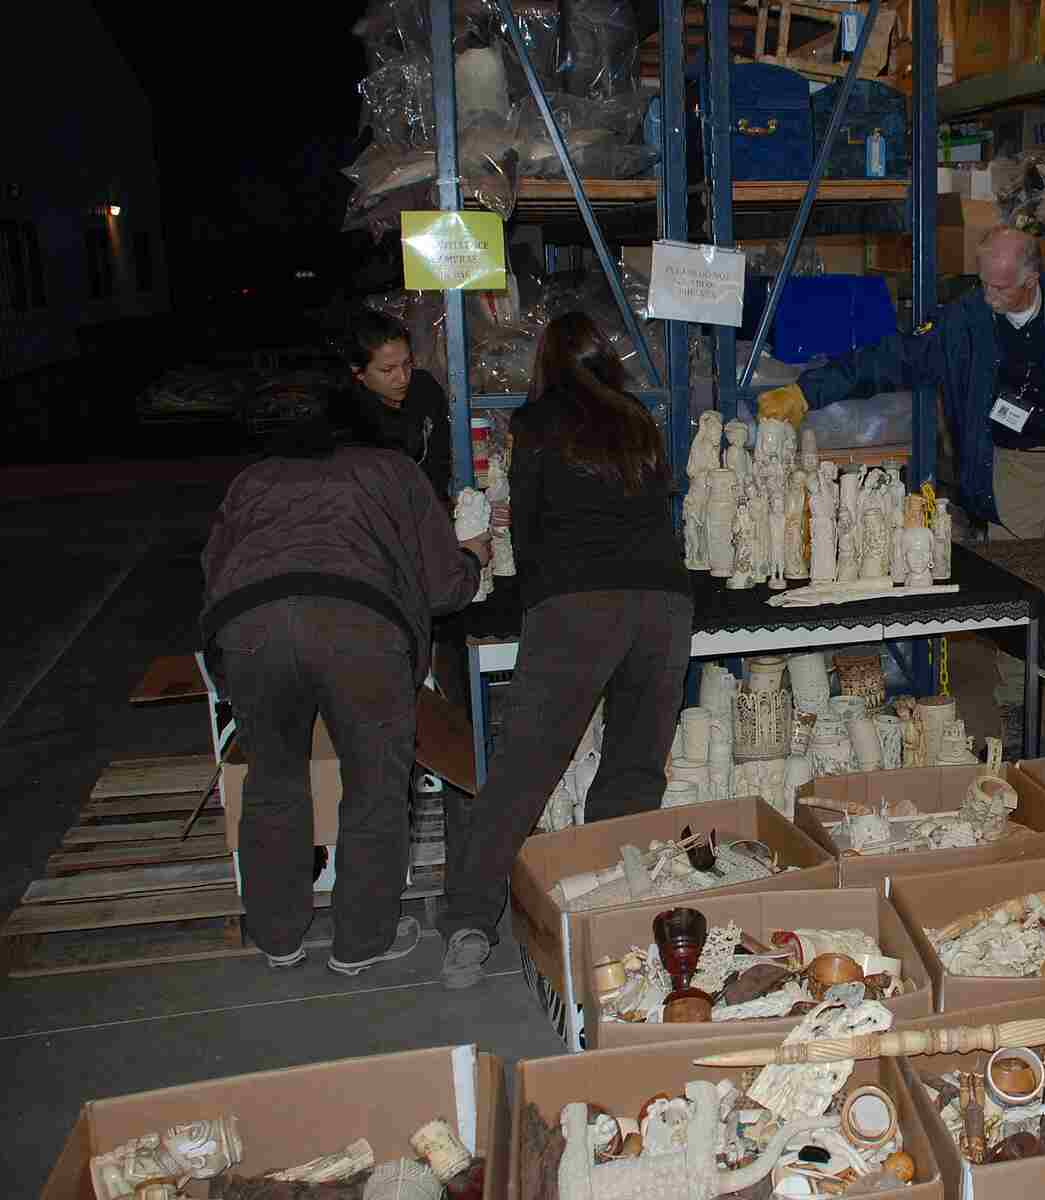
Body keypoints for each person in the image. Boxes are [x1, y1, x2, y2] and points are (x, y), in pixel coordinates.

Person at [756, 225, 1045, 750]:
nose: (988, 297)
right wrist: (806, 391)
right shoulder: (964, 319)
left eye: (1000, 288)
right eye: (983, 284)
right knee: (1015, 597)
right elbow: (888, 360)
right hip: (1011, 471)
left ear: (1032, 276)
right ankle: (1017, 704)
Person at [436, 311, 693, 989]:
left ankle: (468, 923)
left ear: (546, 363)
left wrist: (535, 604)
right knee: (634, 769)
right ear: (606, 359)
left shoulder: (535, 421)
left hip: (581, 603)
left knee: (523, 772)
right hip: (662, 603)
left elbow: (531, 525)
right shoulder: (636, 416)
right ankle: (617, 920)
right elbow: (659, 506)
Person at [201, 396, 487, 976]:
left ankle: (277, 936)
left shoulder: (253, 479)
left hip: (252, 628)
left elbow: (215, 569)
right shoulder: (393, 472)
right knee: (374, 787)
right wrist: (473, 559)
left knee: (273, 783)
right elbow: (442, 586)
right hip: (359, 629)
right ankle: (361, 942)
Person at [339, 310, 452, 503]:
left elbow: (440, 462)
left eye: (407, 364)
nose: (402, 377)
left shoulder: (425, 390)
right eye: (387, 370)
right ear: (358, 372)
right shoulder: (347, 418)